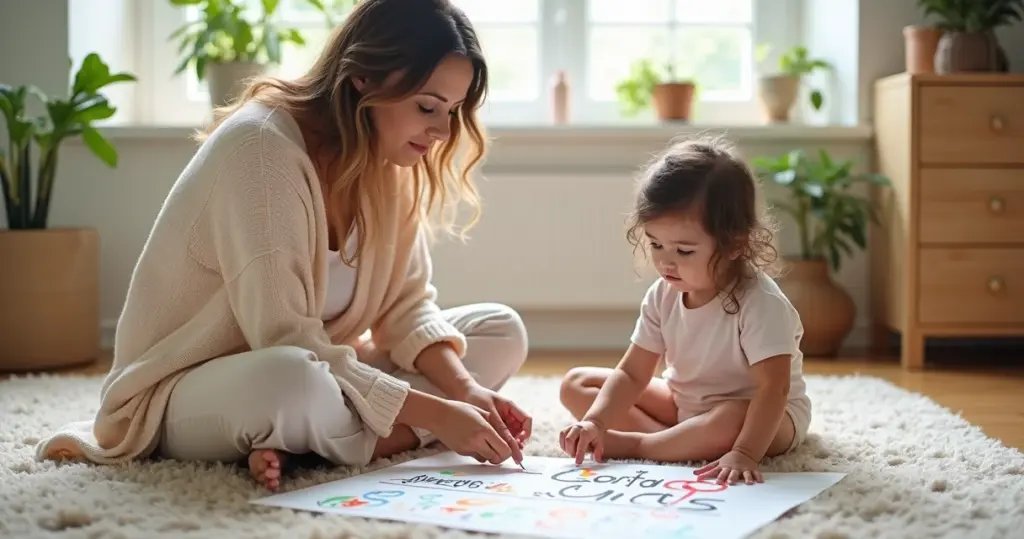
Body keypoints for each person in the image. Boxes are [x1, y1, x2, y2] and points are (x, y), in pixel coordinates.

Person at [35, 0, 533, 491]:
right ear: (363, 78)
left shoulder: (388, 156)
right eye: (427, 107)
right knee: (290, 381)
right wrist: (439, 415)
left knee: (501, 330)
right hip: (188, 388)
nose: (442, 131)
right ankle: (345, 437)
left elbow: (407, 308)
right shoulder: (260, 148)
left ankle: (310, 442)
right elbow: (286, 339)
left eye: (453, 110)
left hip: (322, 370)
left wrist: (465, 391)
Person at [557, 136, 810, 485]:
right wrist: (596, 421)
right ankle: (679, 440)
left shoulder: (761, 303)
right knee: (577, 384)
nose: (665, 262)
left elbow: (773, 390)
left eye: (684, 251)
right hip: (685, 403)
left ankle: (641, 445)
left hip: (763, 416)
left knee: (730, 419)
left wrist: (745, 452)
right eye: (656, 244)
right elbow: (632, 374)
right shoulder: (663, 294)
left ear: (734, 244)